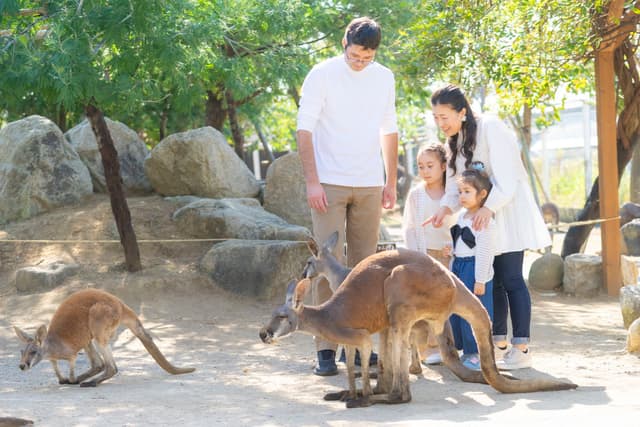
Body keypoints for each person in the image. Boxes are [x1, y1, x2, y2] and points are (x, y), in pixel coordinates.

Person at [296, 17, 398, 376]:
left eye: (366, 58)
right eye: (355, 56)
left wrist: (390, 180)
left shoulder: (384, 77)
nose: (359, 63)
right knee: (327, 265)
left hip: (369, 182)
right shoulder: (321, 74)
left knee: (364, 270)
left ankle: (358, 345)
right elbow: (304, 129)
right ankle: (325, 347)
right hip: (329, 184)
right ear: (344, 43)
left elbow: (390, 128)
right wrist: (312, 181)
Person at [425, 84, 551, 370]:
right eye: (436, 118)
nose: (441, 123)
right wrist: (445, 208)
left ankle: (522, 347)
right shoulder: (454, 142)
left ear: (462, 112)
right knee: (489, 278)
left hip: (504, 211)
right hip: (479, 215)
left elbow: (508, 177)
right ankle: (498, 342)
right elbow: (456, 186)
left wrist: (488, 208)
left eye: (445, 116)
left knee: (511, 278)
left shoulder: (491, 127)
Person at [402, 142, 454, 365]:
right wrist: (416, 258)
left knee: (447, 302)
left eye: (429, 165)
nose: (424, 171)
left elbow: (459, 225)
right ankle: (428, 348)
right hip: (424, 257)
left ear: (443, 166)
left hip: (449, 256)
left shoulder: (452, 194)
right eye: (420, 166)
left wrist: (454, 249)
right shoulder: (416, 195)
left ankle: (450, 346)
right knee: (426, 304)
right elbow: (410, 227)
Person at [446, 167, 497, 371]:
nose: (462, 196)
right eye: (460, 192)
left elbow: (485, 251)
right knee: (456, 310)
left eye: (467, 191)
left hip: (474, 269)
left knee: (474, 312)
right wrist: (451, 251)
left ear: (482, 194)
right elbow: (461, 242)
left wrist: (481, 279)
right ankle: (462, 349)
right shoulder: (461, 216)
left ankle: (476, 353)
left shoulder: (484, 220)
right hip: (459, 266)